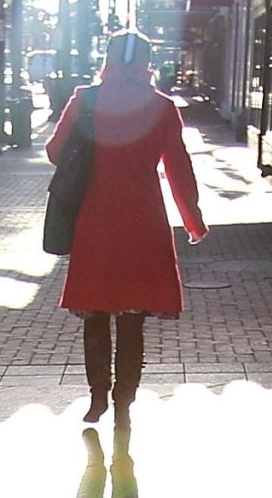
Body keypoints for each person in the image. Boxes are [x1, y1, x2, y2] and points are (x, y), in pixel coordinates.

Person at [44, 30, 208, 427]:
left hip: (94, 221)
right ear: (148, 64)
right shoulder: (162, 106)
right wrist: (193, 220)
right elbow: (178, 168)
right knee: (132, 318)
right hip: (143, 222)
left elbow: (54, 152)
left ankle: (97, 395)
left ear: (108, 59)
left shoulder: (86, 99)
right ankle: (124, 402)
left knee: (96, 312)